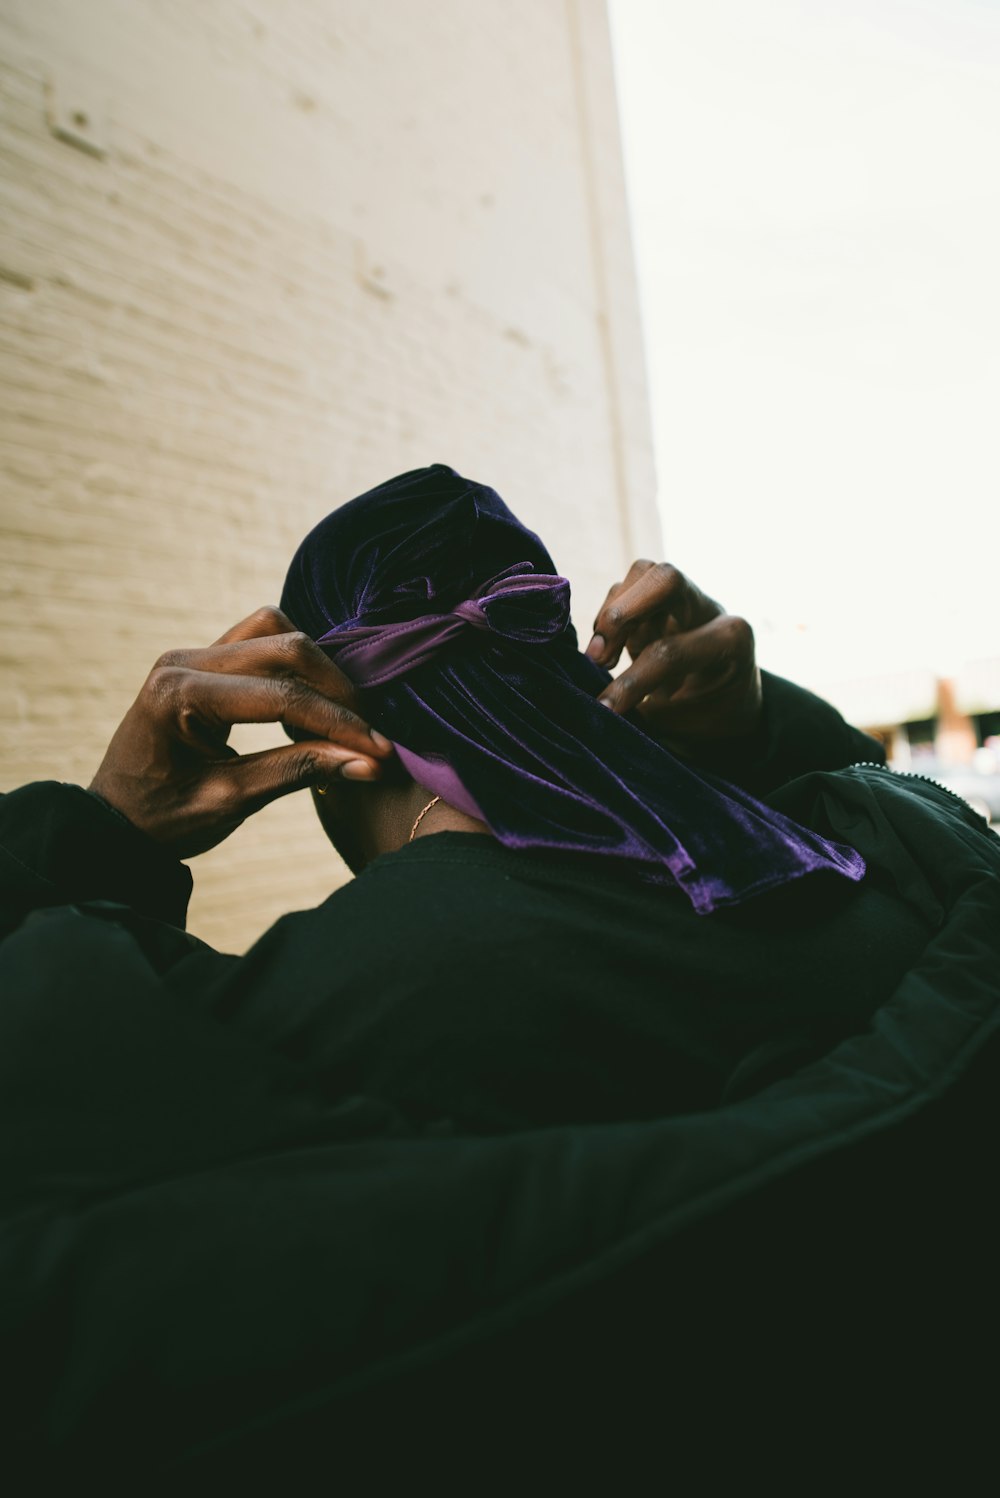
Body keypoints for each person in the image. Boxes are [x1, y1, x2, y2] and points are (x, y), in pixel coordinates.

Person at [1, 465, 997, 1487]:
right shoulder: (880, 874)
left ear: (321, 727)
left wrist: (90, 839)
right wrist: (761, 740)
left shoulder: (273, 1034)